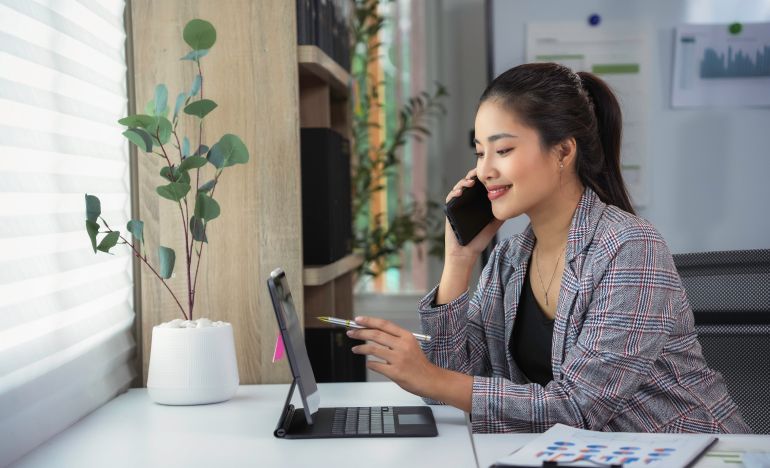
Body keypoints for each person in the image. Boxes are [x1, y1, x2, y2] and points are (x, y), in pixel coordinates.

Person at [346, 62, 750, 433]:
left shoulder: (630, 248)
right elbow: (449, 387)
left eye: (503, 150)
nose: (485, 170)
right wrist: (459, 259)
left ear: (563, 151)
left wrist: (432, 377)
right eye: (480, 152)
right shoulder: (509, 259)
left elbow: (580, 407)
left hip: (688, 451)